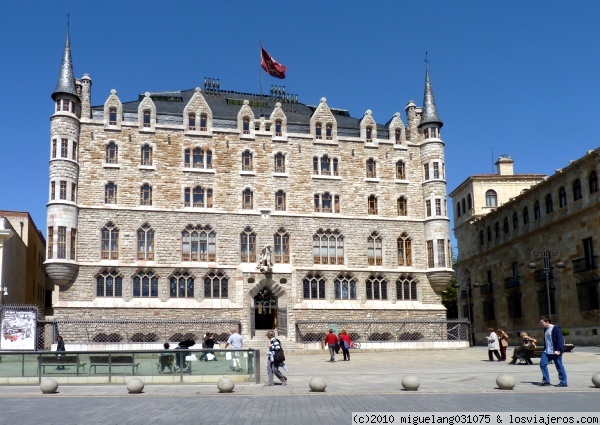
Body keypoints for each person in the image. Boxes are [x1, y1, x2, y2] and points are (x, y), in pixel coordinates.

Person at [539, 315, 568, 387]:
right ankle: (546, 381)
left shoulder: (556, 329)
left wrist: (558, 350)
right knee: (542, 364)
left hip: (555, 351)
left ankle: (563, 382)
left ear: (547, 322)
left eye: (542, 323)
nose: (541, 324)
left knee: (559, 366)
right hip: (547, 351)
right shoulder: (545, 329)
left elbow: (560, 340)